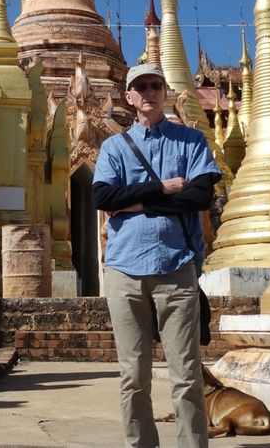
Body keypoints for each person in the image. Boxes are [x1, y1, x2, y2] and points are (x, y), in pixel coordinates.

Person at [93, 63, 221, 448]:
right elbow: (102, 198)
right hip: (124, 271)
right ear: (128, 97)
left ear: (165, 92)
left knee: (186, 375)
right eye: (140, 87)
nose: (148, 92)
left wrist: (137, 204)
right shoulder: (113, 147)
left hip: (176, 267)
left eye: (155, 85)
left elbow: (200, 196)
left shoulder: (190, 142)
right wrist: (162, 189)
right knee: (133, 376)